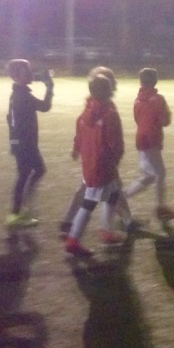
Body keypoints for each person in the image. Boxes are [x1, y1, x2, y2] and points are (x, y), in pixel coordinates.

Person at [60, 66, 135, 234]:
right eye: (111, 80)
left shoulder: (92, 105)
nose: (114, 83)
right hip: (101, 159)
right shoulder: (104, 108)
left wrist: (78, 148)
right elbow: (111, 138)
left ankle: (69, 221)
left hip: (92, 159)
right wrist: (115, 157)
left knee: (99, 189)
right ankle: (119, 224)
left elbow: (82, 130)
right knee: (109, 189)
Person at [123, 67, 174, 220]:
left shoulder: (137, 100)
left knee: (149, 175)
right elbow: (165, 121)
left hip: (141, 138)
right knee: (159, 173)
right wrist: (167, 115)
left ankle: (122, 199)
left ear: (141, 82)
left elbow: (137, 119)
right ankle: (160, 207)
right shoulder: (158, 99)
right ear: (155, 81)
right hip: (152, 138)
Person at [5, 59, 54, 230]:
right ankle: (17, 212)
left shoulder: (18, 93)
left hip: (21, 142)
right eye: (27, 71)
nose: (31, 73)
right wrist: (50, 87)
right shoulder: (23, 96)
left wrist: (14, 142)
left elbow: (9, 119)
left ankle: (19, 211)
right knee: (34, 172)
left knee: (26, 174)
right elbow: (45, 106)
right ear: (18, 76)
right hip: (25, 143)